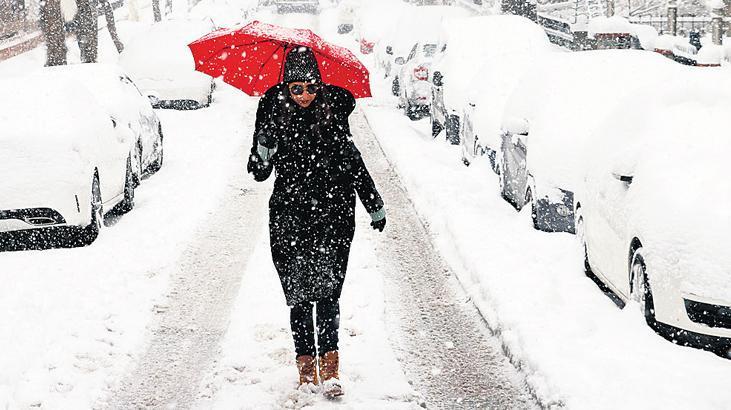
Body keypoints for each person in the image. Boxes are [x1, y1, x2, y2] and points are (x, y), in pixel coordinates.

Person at [247, 46, 386, 398]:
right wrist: (263, 149)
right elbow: (259, 173)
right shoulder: (272, 114)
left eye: (311, 87)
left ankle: (330, 367)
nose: (305, 95)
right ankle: (306, 368)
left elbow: (353, 163)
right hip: (289, 216)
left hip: (332, 216)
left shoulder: (333, 113)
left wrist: (374, 204)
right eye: (297, 88)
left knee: (327, 294)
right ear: (287, 87)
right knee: (298, 295)